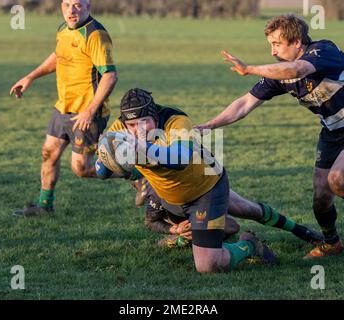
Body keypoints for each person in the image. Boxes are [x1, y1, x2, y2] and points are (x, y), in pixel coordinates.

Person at [196, 14, 344, 259]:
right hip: (332, 131)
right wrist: (209, 125)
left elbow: (298, 68)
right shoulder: (280, 76)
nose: (272, 51)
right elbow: (245, 104)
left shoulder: (324, 51)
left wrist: (250, 69)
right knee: (320, 195)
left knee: (338, 180)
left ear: (297, 42)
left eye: (277, 44)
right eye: (270, 45)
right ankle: (332, 243)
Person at [97, 87, 280, 273]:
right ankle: (198, 235)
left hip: (206, 189)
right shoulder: (121, 128)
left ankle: (248, 245)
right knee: (226, 230)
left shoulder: (176, 121)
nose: (139, 130)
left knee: (208, 266)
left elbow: (180, 159)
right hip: (173, 197)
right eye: (133, 125)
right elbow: (102, 171)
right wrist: (110, 155)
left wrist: (143, 149)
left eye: (144, 122)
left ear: (155, 116)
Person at [10, 0, 117, 217]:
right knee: (49, 154)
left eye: (77, 5)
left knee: (82, 169)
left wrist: (89, 110)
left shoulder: (95, 35)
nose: (71, 10)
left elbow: (110, 75)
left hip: (87, 113)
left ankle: (134, 174)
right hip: (63, 108)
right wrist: (30, 77)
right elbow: (59, 57)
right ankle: (44, 206)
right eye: (67, 4)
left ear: (89, 6)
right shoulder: (63, 29)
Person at [143, 180, 323, 248]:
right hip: (184, 220)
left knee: (248, 209)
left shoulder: (193, 168)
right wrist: (174, 230)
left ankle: (299, 229)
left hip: (206, 190)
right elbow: (151, 222)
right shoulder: (158, 191)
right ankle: (181, 240)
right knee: (231, 227)